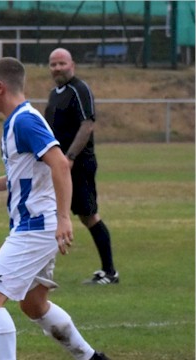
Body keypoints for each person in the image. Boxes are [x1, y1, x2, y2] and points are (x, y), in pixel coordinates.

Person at [0, 57, 110, 360]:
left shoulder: (25, 120)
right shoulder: (15, 122)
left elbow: (59, 163)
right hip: (34, 226)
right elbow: (27, 174)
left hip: (35, 228)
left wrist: (63, 218)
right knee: (33, 303)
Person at [45, 48, 119, 285]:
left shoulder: (80, 89)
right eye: (53, 64)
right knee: (49, 213)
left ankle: (110, 272)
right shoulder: (54, 94)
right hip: (58, 166)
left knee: (89, 216)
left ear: (72, 64)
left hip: (79, 165)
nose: (57, 68)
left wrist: (70, 157)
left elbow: (87, 124)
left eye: (61, 63)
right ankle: (41, 274)